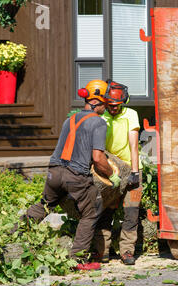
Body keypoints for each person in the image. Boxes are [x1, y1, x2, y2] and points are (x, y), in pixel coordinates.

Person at [19, 80, 122, 270]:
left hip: (54, 172)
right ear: (98, 101)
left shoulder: (70, 119)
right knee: (91, 212)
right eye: (106, 102)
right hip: (76, 175)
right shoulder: (98, 122)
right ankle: (77, 259)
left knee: (44, 206)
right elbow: (98, 158)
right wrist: (112, 176)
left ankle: (12, 235)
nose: (107, 106)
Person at [93, 80, 142, 265]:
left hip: (131, 167)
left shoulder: (131, 114)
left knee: (131, 210)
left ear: (123, 102)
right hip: (108, 169)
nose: (113, 108)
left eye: (116, 105)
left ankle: (127, 252)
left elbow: (134, 145)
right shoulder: (100, 117)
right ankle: (102, 251)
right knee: (104, 211)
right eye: (110, 105)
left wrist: (135, 172)